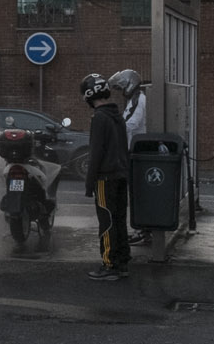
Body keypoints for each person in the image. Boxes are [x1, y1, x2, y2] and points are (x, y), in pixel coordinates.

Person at [81, 73, 131, 280]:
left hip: (105, 178)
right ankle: (122, 261)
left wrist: (89, 182)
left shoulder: (99, 118)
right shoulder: (116, 115)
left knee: (107, 221)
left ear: (88, 96)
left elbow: (96, 153)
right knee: (119, 219)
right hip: (120, 175)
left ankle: (109, 264)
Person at [109, 68, 151, 246]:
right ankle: (141, 228)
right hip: (133, 150)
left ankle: (143, 229)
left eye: (120, 88)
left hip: (136, 152)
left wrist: (113, 128)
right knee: (135, 192)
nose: (120, 92)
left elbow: (132, 123)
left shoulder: (138, 100)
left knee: (139, 193)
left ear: (128, 85)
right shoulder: (134, 100)